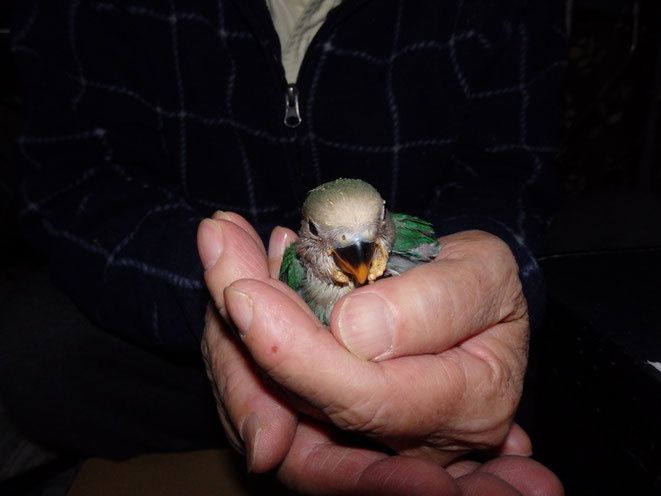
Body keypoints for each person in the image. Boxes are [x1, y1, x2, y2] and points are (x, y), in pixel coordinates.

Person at [2, 0, 566, 494]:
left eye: (375, 233)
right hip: (183, 348)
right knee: (34, 346)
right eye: (330, 238)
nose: (362, 256)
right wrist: (223, 301)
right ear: (305, 237)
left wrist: (493, 278)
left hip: (439, 366)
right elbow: (71, 178)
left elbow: (512, 172)